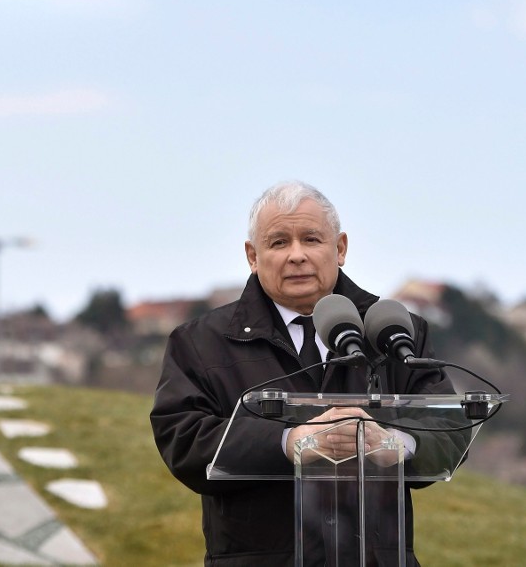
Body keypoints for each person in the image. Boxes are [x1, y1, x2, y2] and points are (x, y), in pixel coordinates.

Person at [150, 180, 459, 566]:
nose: (296, 255)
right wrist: (289, 441)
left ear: (340, 248)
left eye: (311, 239)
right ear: (252, 255)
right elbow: (182, 439)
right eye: (278, 242)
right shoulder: (201, 342)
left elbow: (448, 432)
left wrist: (391, 444)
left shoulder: (395, 332)